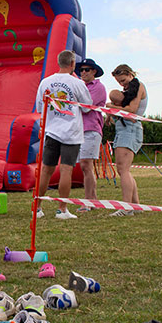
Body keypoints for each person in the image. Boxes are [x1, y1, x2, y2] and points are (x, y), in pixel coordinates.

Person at [34, 50, 92, 220]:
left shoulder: (45, 82)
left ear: (58, 63)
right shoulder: (77, 83)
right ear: (73, 64)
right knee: (66, 170)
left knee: (46, 170)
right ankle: (62, 209)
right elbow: (88, 107)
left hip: (51, 131)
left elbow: (39, 108)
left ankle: (36, 208)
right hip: (71, 133)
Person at [105, 64, 147, 216]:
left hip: (130, 129)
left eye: (123, 80)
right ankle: (135, 205)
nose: (122, 84)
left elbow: (132, 110)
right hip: (123, 129)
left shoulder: (139, 86)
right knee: (124, 170)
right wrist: (110, 113)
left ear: (130, 74)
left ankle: (126, 207)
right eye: (119, 81)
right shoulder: (128, 90)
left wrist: (111, 108)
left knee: (123, 169)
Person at [74, 58, 106, 210]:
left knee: (86, 165)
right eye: (81, 70)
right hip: (79, 130)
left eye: (87, 70)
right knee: (86, 167)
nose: (83, 72)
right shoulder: (80, 86)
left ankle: (88, 202)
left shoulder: (99, 87)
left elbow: (86, 107)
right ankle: (93, 200)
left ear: (94, 72)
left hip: (91, 129)